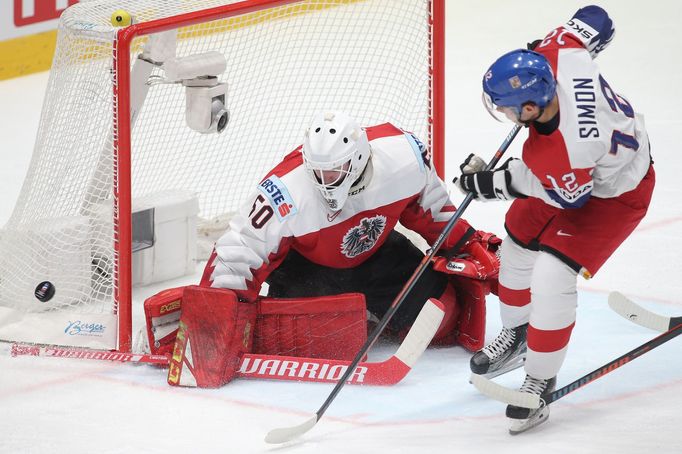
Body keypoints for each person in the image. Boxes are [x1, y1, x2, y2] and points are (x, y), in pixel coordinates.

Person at [145, 111, 501, 388]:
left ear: (359, 158)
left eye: (333, 172)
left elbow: (432, 209)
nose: (322, 181)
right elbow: (240, 250)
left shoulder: (403, 155)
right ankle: (354, 312)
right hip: (308, 268)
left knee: (445, 320)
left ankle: (374, 311)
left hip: (378, 254)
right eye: (317, 171)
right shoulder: (284, 189)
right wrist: (211, 319)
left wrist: (467, 243)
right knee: (325, 340)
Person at [456, 5, 655, 434]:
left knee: (551, 275)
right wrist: (538, 53)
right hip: (576, 172)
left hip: (613, 193)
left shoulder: (568, 151)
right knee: (515, 240)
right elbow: (596, 17)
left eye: (510, 110)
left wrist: (495, 182)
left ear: (531, 107)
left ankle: (540, 380)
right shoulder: (560, 50)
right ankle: (519, 336)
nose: (505, 115)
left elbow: (569, 195)